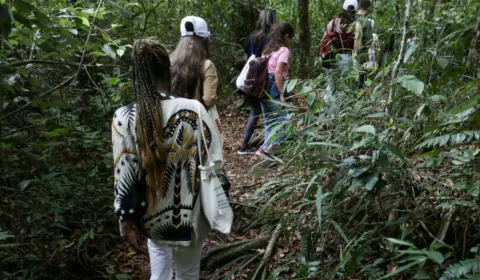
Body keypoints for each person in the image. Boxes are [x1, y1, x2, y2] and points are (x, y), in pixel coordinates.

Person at [112, 39, 223, 280]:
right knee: (188, 273)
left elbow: (126, 175)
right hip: (192, 215)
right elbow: (215, 161)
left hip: (152, 218)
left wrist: (127, 223)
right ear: (168, 70)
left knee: (158, 260)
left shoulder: (124, 116)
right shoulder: (195, 108)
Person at [170, 16, 231, 195]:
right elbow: (209, 98)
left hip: (173, 119)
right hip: (200, 119)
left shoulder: (170, 61)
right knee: (208, 161)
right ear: (203, 40)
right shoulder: (205, 65)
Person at [255, 22, 295, 163]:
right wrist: (281, 94)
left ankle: (266, 151)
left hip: (262, 87)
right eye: (290, 37)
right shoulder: (283, 50)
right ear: (286, 36)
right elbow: (278, 72)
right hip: (273, 86)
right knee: (283, 121)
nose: (291, 41)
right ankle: (265, 149)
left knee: (270, 121)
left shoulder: (268, 49)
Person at [239, 9, 276, 155]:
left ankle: (252, 143)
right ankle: (247, 144)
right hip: (262, 77)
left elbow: (248, 54)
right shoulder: (269, 38)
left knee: (256, 109)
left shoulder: (252, 36)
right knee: (260, 110)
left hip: (251, 74)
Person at [323, 0, 358, 104]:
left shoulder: (333, 23)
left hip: (332, 57)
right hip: (347, 59)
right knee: (344, 86)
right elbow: (356, 47)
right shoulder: (356, 25)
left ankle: (328, 111)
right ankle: (340, 111)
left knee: (331, 85)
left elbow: (324, 41)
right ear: (355, 11)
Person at [354, 0, 373, 88]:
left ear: (358, 6)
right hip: (361, 55)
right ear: (368, 8)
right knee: (360, 80)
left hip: (345, 54)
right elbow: (369, 41)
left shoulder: (349, 18)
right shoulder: (366, 22)